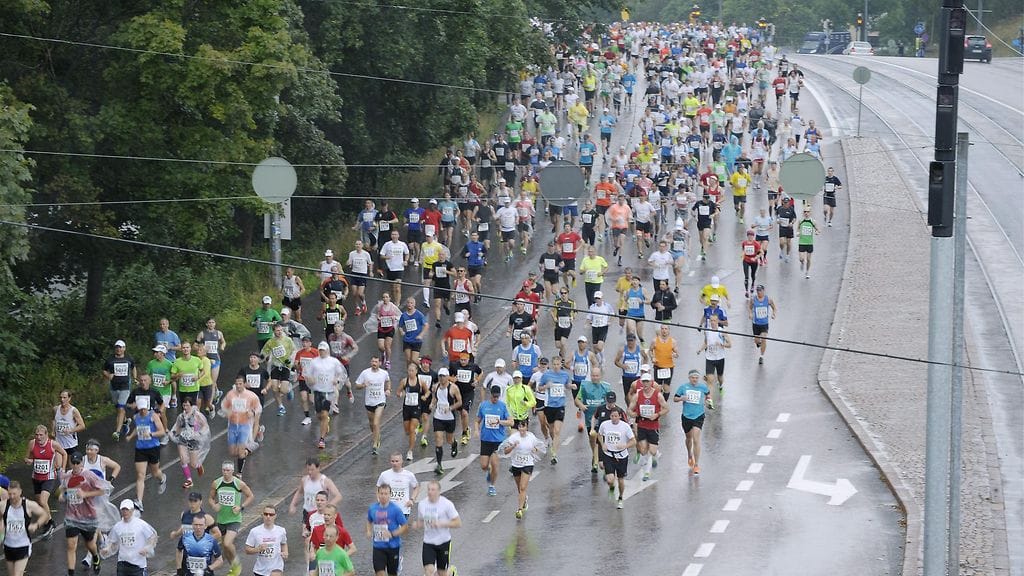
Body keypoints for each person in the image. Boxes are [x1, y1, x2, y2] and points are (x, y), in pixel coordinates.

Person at [61, 452, 106, 576]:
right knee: (71, 545)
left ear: (81, 463)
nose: (75, 465)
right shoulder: (67, 476)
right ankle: (71, 573)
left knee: (90, 543)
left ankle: (96, 557)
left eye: (77, 463)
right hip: (72, 516)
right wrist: (63, 496)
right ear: (70, 463)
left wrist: (86, 494)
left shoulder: (89, 475)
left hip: (88, 516)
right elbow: (63, 491)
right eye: (73, 463)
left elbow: (102, 490)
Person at [209, 461, 254, 576]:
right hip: (221, 519)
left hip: (234, 519)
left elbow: (250, 496)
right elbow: (210, 498)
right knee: (225, 548)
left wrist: (241, 507)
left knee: (228, 543)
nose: (226, 472)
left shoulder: (239, 483)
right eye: (224, 470)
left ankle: (236, 564)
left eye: (228, 470)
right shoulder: (217, 483)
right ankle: (233, 568)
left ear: (232, 471)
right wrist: (214, 505)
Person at [123, 389, 167, 504]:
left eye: (144, 408)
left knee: (155, 472)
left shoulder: (153, 416)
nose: (142, 411)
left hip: (153, 447)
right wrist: (131, 436)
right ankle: (139, 501)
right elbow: (138, 429)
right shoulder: (136, 417)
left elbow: (162, 431)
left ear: (147, 407)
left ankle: (162, 478)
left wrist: (151, 434)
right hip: (140, 448)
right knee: (140, 475)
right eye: (140, 408)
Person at [413, 481, 461, 576]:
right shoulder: (422, 504)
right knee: (429, 571)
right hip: (428, 542)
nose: (430, 492)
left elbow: (458, 523)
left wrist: (441, 523)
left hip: (443, 542)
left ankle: (451, 572)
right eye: (429, 489)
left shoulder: (447, 504)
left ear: (439, 491)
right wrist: (418, 524)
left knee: (441, 572)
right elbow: (421, 521)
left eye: (433, 490)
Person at [304, 342, 347, 450]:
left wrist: (336, 379)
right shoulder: (314, 362)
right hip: (318, 391)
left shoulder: (334, 362)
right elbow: (307, 374)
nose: (322, 352)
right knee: (319, 415)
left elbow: (342, 373)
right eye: (320, 350)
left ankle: (322, 439)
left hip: (329, 392)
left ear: (327, 350)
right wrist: (310, 379)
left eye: (324, 350)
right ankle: (325, 421)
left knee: (324, 413)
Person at [629, 373, 669, 481]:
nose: (646, 384)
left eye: (647, 381)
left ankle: (655, 455)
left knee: (652, 450)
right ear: (641, 382)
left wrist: (657, 415)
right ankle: (647, 472)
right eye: (644, 381)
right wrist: (633, 414)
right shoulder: (638, 395)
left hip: (653, 425)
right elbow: (629, 410)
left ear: (651, 382)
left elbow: (666, 408)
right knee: (643, 449)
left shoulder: (657, 395)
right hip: (642, 424)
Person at [502, 419, 544, 519]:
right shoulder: (513, 437)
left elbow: (539, 448)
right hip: (516, 464)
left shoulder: (531, 437)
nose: (521, 429)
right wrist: (513, 446)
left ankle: (519, 510)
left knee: (523, 487)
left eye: (523, 426)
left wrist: (535, 450)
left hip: (527, 464)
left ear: (527, 427)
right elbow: (505, 451)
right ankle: (524, 500)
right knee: (519, 488)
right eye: (520, 427)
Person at [101, 499, 156, 576]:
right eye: (123, 510)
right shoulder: (118, 526)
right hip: (122, 563)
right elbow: (113, 541)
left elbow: (152, 537)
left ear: (132, 510)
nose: (125, 512)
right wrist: (107, 549)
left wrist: (147, 548)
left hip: (138, 564)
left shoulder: (141, 525)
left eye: (127, 509)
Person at [170, 491, 221, 574]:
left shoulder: (206, 517)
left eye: (195, 501)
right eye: (190, 501)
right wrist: (176, 534)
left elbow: (217, 533)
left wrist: (203, 542)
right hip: (187, 555)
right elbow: (184, 528)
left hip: (201, 555)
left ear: (201, 502)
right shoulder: (184, 514)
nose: (192, 504)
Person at [220, 376, 262, 475]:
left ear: (244, 384)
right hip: (233, 426)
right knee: (232, 452)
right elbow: (223, 406)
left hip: (245, 426)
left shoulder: (251, 396)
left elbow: (258, 408)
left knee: (240, 451)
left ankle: (239, 473)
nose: (238, 386)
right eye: (237, 384)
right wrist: (227, 412)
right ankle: (247, 450)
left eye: (240, 384)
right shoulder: (231, 394)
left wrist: (253, 413)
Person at [597, 404, 636, 509]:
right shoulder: (605, 424)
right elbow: (599, 435)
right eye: (612, 416)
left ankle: (620, 497)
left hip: (621, 456)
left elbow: (633, 441)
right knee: (610, 479)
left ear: (619, 416)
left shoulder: (625, 427)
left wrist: (625, 445)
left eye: (615, 416)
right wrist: (603, 444)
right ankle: (611, 487)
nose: (613, 418)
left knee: (621, 479)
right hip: (608, 455)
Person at [674, 370, 713, 474]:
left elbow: (708, 395)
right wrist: (681, 398)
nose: (694, 379)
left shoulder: (703, 387)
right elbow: (675, 398)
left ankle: (696, 465)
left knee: (696, 439)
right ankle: (689, 455)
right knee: (688, 438)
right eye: (692, 377)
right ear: (689, 378)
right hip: (686, 416)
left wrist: (708, 401)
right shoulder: (683, 387)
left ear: (698, 378)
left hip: (699, 415)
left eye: (696, 378)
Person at [476, 385, 512, 497]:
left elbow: (511, 422)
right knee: (483, 465)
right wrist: (476, 430)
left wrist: (500, 422)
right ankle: (488, 470)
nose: (495, 398)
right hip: (486, 440)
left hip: (498, 441)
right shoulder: (483, 406)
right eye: (494, 396)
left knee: (495, 465)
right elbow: (477, 420)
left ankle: (492, 486)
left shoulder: (503, 406)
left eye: (497, 396)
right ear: (490, 394)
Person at [537, 356, 573, 464]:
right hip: (549, 406)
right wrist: (546, 386)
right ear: (552, 365)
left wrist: (572, 386)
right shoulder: (546, 375)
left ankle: (554, 454)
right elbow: (539, 387)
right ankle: (554, 443)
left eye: (558, 364)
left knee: (557, 431)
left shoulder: (565, 375)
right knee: (552, 430)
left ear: (561, 365)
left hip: (560, 406)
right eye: (555, 364)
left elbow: (566, 385)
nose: (556, 366)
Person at [169, 397, 212, 489]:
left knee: (193, 464)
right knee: (183, 458)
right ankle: (189, 480)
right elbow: (177, 427)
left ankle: (198, 465)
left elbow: (205, 426)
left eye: (187, 405)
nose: (185, 407)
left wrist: (198, 434)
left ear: (191, 405)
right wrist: (173, 433)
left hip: (193, 440)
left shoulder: (197, 415)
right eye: (184, 405)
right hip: (183, 439)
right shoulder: (181, 416)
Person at [576, 367, 612, 474]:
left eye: (597, 375)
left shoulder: (606, 387)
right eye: (593, 375)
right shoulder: (584, 386)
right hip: (589, 419)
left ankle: (596, 462)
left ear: (600, 376)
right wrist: (581, 405)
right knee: (593, 439)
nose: (595, 378)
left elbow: (610, 401)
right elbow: (577, 399)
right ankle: (595, 456)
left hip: (602, 419)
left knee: (600, 441)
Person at [367, 484, 409, 576]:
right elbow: (369, 520)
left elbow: (405, 526)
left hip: (393, 546)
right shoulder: (372, 508)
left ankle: (398, 563)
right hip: (378, 546)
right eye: (381, 493)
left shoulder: (396, 510)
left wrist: (392, 534)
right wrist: (369, 531)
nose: (383, 496)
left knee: (392, 573)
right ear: (378, 494)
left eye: (386, 494)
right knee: (379, 572)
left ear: (390, 495)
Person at [356, 356, 392, 455]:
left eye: (376, 361)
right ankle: (376, 435)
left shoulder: (384, 373)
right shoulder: (365, 373)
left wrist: (388, 389)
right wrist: (363, 385)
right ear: (370, 362)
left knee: (376, 423)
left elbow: (388, 381)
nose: (374, 363)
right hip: (369, 402)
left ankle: (375, 444)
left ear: (380, 363)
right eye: (372, 361)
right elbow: (357, 385)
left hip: (380, 401)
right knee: (372, 424)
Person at [430, 368, 463, 475]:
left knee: (449, 440)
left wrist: (451, 408)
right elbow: (435, 398)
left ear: (448, 377)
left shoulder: (453, 388)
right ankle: (439, 465)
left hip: (450, 418)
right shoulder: (436, 387)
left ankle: (454, 444)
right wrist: (432, 404)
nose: (441, 378)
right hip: (438, 417)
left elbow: (460, 402)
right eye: (440, 376)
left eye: (444, 376)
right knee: (438, 439)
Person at [104, 339, 137, 441]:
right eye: (117, 347)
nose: (118, 349)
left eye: (120, 347)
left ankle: (117, 432)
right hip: (114, 387)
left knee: (121, 407)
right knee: (118, 406)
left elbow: (133, 367)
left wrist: (135, 378)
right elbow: (104, 370)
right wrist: (108, 375)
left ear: (124, 348)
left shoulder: (129, 358)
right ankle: (126, 421)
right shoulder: (110, 360)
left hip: (125, 386)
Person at [245, 505, 288, 576]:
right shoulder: (255, 531)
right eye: (266, 514)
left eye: (271, 515)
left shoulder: (281, 530)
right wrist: (258, 549)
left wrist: (285, 552)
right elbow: (247, 550)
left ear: (275, 516)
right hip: (260, 570)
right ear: (262, 515)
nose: (268, 516)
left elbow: (283, 543)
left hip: (276, 568)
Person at [398, 363, 428, 461]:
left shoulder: (420, 381)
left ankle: (410, 451)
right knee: (407, 431)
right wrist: (400, 394)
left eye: (412, 370)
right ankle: (413, 433)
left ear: (416, 371)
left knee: (411, 429)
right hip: (407, 408)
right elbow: (398, 392)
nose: (410, 372)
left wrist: (425, 396)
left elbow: (427, 391)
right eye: (409, 370)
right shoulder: (404, 381)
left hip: (416, 408)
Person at [698, 315, 732, 399]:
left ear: (717, 322)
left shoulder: (722, 332)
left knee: (720, 377)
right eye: (711, 321)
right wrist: (700, 349)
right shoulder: (707, 331)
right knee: (710, 380)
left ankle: (721, 386)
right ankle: (710, 400)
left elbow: (730, 344)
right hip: (709, 358)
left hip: (720, 358)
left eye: (714, 321)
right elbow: (706, 342)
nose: (712, 322)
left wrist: (722, 344)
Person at [749, 284, 778, 364]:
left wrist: (774, 314)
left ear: (763, 291)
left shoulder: (768, 299)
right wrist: (750, 314)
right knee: (756, 340)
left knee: (764, 338)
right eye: (757, 291)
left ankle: (761, 356)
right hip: (756, 324)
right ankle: (759, 343)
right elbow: (750, 308)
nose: (758, 292)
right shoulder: (753, 300)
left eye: (760, 290)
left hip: (764, 324)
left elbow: (774, 308)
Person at [54, 389, 86, 458]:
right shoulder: (56, 409)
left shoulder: (74, 411)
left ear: (69, 398)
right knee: (59, 466)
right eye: (61, 397)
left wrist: (70, 431)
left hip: (71, 443)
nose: (62, 400)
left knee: (72, 465)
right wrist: (52, 431)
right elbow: (53, 420)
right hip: (58, 443)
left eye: (64, 398)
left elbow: (82, 426)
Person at [172, 341, 205, 407]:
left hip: (194, 389)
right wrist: (178, 375)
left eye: (187, 347)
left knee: (193, 408)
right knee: (184, 407)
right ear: (181, 349)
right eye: (183, 348)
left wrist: (198, 377)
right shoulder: (177, 362)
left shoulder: (197, 360)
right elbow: (172, 376)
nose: (185, 349)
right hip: (183, 389)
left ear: (190, 349)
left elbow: (203, 371)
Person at [399, 297, 429, 366]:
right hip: (407, 340)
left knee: (414, 359)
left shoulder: (419, 314)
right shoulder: (403, 315)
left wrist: (421, 335)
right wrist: (401, 331)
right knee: (408, 359)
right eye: (408, 303)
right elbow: (400, 326)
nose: (409, 304)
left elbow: (426, 325)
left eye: (411, 303)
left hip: (416, 340)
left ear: (414, 304)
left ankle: (422, 367)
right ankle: (409, 375)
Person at [741, 228, 766, 296]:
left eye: (751, 236)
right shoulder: (744, 243)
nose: (750, 237)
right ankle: (746, 291)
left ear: (753, 236)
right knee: (746, 277)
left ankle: (752, 285)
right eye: (749, 236)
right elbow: (743, 250)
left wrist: (755, 258)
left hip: (754, 261)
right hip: (746, 260)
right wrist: (742, 254)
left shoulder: (756, 243)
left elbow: (762, 252)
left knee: (752, 275)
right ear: (747, 236)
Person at [797, 207, 820, 278]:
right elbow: (797, 228)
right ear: (803, 213)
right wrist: (797, 233)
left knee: (809, 259)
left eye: (807, 212)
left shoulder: (813, 221)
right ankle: (802, 263)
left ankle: (807, 272)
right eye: (805, 212)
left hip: (809, 243)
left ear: (810, 213)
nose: (806, 213)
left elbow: (818, 230)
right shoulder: (801, 220)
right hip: (802, 242)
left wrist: (817, 232)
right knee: (801, 258)